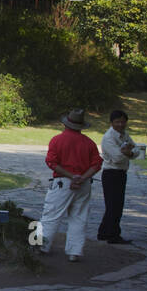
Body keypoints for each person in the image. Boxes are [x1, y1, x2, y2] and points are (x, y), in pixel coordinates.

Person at [38, 108, 102, 262]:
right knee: (79, 217)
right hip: (84, 183)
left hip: (62, 182)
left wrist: (71, 176)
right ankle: (75, 251)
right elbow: (97, 164)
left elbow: (51, 162)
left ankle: (41, 246)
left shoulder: (57, 140)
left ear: (66, 124)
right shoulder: (89, 143)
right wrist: (82, 178)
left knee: (50, 216)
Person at [97, 109, 135, 243]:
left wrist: (128, 152)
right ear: (111, 122)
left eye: (123, 122)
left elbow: (136, 151)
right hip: (111, 174)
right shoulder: (108, 138)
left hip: (121, 173)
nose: (120, 124)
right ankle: (113, 235)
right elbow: (118, 158)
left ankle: (103, 232)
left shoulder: (124, 135)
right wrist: (126, 152)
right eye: (117, 122)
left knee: (116, 205)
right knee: (114, 205)